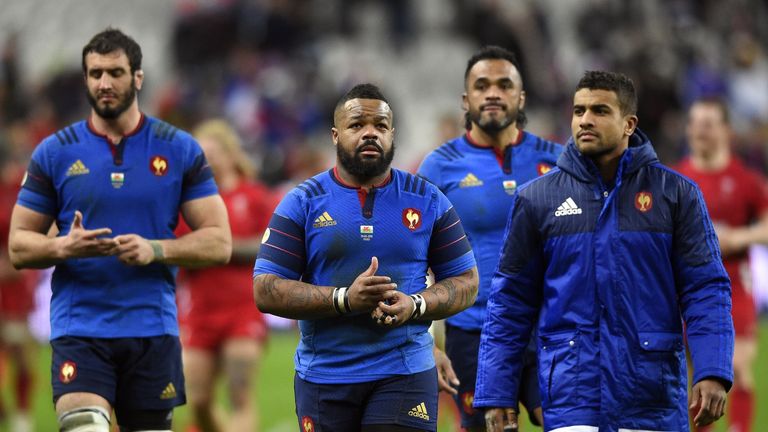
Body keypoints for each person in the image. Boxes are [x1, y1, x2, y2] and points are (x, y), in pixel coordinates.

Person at [474, 71, 734, 431]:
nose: (585, 120)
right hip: (573, 399)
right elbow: (510, 303)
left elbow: (705, 288)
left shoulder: (676, 195)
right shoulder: (537, 199)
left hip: (651, 399)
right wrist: (498, 392)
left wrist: (712, 370)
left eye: (599, 110)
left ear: (629, 124)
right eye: (578, 110)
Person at [7, 28, 232, 432]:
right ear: (85, 79)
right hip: (80, 328)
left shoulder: (180, 148)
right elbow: (18, 246)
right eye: (95, 74)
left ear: (138, 78)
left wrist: (156, 249)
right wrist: (64, 247)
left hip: (152, 328)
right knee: (83, 425)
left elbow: (219, 241)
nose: (104, 83)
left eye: (115, 72)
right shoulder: (54, 152)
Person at [252, 83, 479, 432]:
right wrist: (344, 300)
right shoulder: (302, 202)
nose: (370, 133)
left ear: (392, 134)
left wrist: (415, 305)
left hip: (404, 370)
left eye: (380, 125)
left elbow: (467, 281)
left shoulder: (428, 199)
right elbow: (265, 288)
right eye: (357, 125)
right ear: (335, 135)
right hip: (325, 375)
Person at [417, 45, 560, 431]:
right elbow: (412, 258)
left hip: (549, 328)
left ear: (521, 97)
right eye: (482, 86)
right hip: (473, 331)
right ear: (466, 99)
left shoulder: (559, 161)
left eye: (504, 85)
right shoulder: (439, 167)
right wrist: (424, 340)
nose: (493, 93)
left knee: (569, 424)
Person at [674, 98, 768, 432]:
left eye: (708, 123)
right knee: (695, 378)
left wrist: (738, 237)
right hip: (687, 290)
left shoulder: (745, 180)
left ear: (726, 130)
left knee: (738, 366)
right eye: (695, 122)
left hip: (734, 287)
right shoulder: (676, 178)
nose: (700, 130)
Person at [178, 119, 276, 432]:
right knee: (198, 401)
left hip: (243, 308)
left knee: (240, 395)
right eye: (201, 156)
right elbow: (180, 249)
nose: (206, 161)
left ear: (231, 154)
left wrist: (217, 247)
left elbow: (269, 246)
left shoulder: (255, 196)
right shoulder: (189, 202)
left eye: (212, 154)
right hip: (199, 312)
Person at [0, 156, 36, 432]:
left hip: (13, 289)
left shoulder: (20, 186)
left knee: (20, 352)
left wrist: (14, 261)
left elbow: (35, 230)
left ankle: (22, 416)